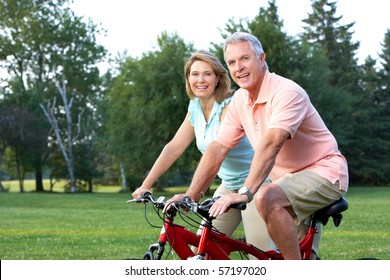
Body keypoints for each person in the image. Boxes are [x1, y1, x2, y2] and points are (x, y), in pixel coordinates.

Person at [168, 32, 349, 260]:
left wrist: (245, 192)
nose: (238, 68)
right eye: (232, 63)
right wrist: (191, 194)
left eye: (245, 59)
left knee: (265, 197)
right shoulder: (239, 101)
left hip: (323, 172)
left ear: (261, 58)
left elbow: (271, 144)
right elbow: (218, 149)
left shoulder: (286, 92)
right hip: (285, 180)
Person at [132, 50, 276, 256]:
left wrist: (192, 194)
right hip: (229, 185)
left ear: (218, 77)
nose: (200, 80)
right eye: (194, 74)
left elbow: (217, 153)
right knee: (201, 249)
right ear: (188, 78)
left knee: (260, 254)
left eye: (207, 74)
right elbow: (174, 148)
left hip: (258, 183)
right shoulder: (195, 108)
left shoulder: (231, 105)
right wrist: (146, 185)